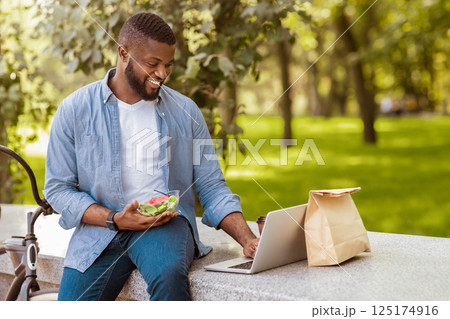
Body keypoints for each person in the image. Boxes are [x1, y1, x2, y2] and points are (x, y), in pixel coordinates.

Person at [44, 12, 259, 301]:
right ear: (123, 53)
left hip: (164, 225)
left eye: (168, 65)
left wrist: (248, 240)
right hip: (100, 228)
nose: (162, 74)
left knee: (169, 277)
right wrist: (115, 219)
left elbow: (212, 186)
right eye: (152, 64)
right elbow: (58, 188)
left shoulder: (185, 112)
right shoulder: (75, 109)